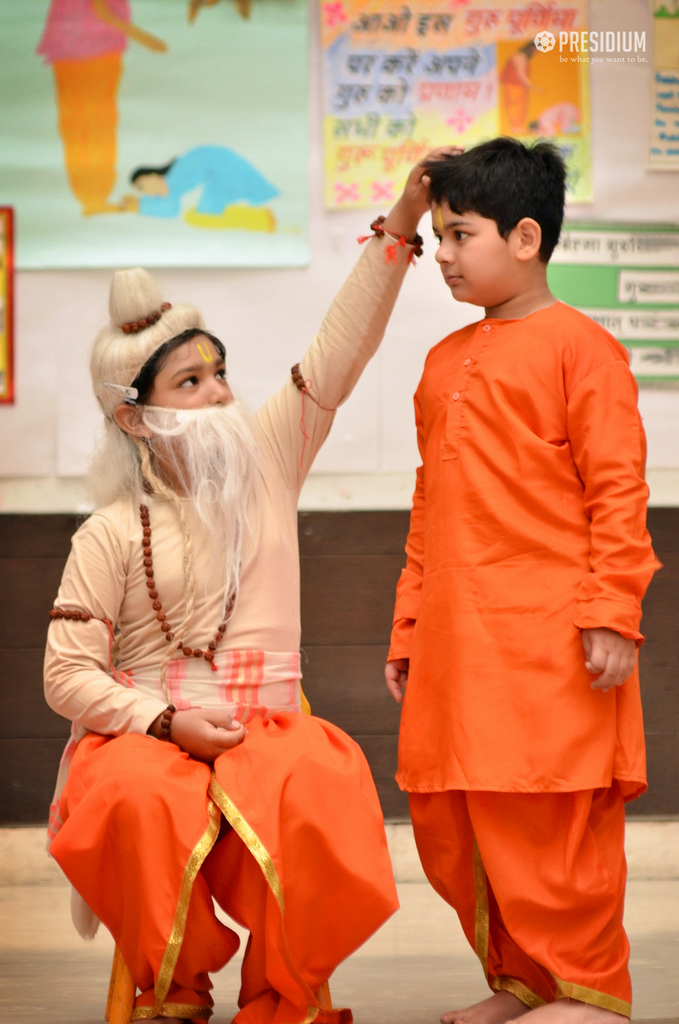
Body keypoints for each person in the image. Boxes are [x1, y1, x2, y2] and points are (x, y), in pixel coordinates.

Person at [44, 155, 445, 1024]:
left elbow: (338, 351)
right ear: (134, 415)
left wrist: (403, 218)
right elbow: (67, 676)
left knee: (315, 781)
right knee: (135, 796)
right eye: (191, 383)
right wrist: (163, 722)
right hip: (147, 730)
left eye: (219, 372)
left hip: (266, 724)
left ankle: (283, 997)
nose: (221, 394)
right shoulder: (109, 532)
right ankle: (175, 993)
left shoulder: (267, 457)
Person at [385, 138, 659, 1024]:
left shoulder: (584, 352)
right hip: (460, 644)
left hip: (551, 642)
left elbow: (618, 494)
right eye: (437, 237)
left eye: (461, 233)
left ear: (527, 236)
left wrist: (611, 612)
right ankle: (527, 984)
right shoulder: (440, 362)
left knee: (547, 822)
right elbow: (429, 507)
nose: (447, 257)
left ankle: (590, 993)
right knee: (456, 817)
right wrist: (408, 625)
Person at [123, 146, 279, 231]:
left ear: (152, 175)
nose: (146, 192)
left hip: (227, 173)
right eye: (141, 191)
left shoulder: (176, 175)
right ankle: (261, 218)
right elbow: (170, 202)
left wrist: (139, 206)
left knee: (201, 216)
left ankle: (262, 219)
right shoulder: (175, 177)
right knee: (199, 215)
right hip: (223, 173)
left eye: (142, 186)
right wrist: (140, 204)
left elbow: (171, 208)